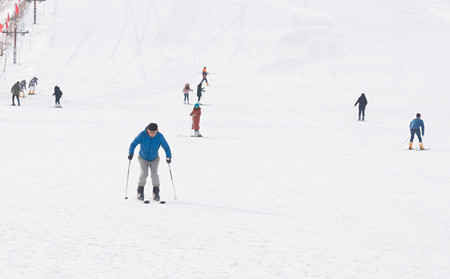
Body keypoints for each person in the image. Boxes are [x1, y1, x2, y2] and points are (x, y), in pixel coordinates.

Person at [128, 123, 172, 201]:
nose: (152, 135)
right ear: (147, 130)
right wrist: (131, 153)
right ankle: (140, 191)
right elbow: (133, 144)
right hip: (143, 158)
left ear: (157, 131)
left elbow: (166, 146)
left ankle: (156, 191)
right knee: (144, 174)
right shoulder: (142, 135)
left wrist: (168, 156)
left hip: (154, 159)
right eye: (151, 133)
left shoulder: (159, 136)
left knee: (154, 175)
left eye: (154, 133)